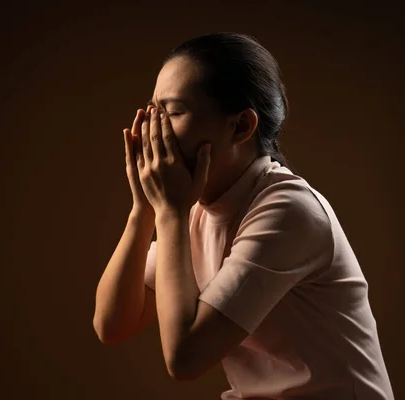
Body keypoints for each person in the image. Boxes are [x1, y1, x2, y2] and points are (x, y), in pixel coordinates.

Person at [92, 32, 394, 399]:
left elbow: (185, 358)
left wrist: (169, 213)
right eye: (153, 112)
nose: (152, 130)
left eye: (172, 112)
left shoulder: (287, 210)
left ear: (240, 127)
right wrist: (144, 209)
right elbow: (112, 324)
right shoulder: (194, 210)